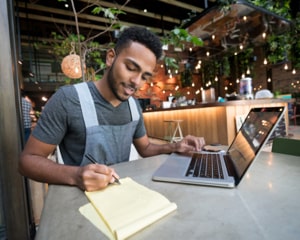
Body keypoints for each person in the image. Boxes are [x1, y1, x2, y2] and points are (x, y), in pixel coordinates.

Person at [19, 26, 205, 192]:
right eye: (131, 68)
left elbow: (145, 148)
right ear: (110, 58)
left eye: (144, 76)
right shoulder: (68, 100)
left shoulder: (133, 106)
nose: (136, 82)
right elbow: (27, 161)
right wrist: (76, 175)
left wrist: (175, 146)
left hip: (120, 196)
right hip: (77, 206)